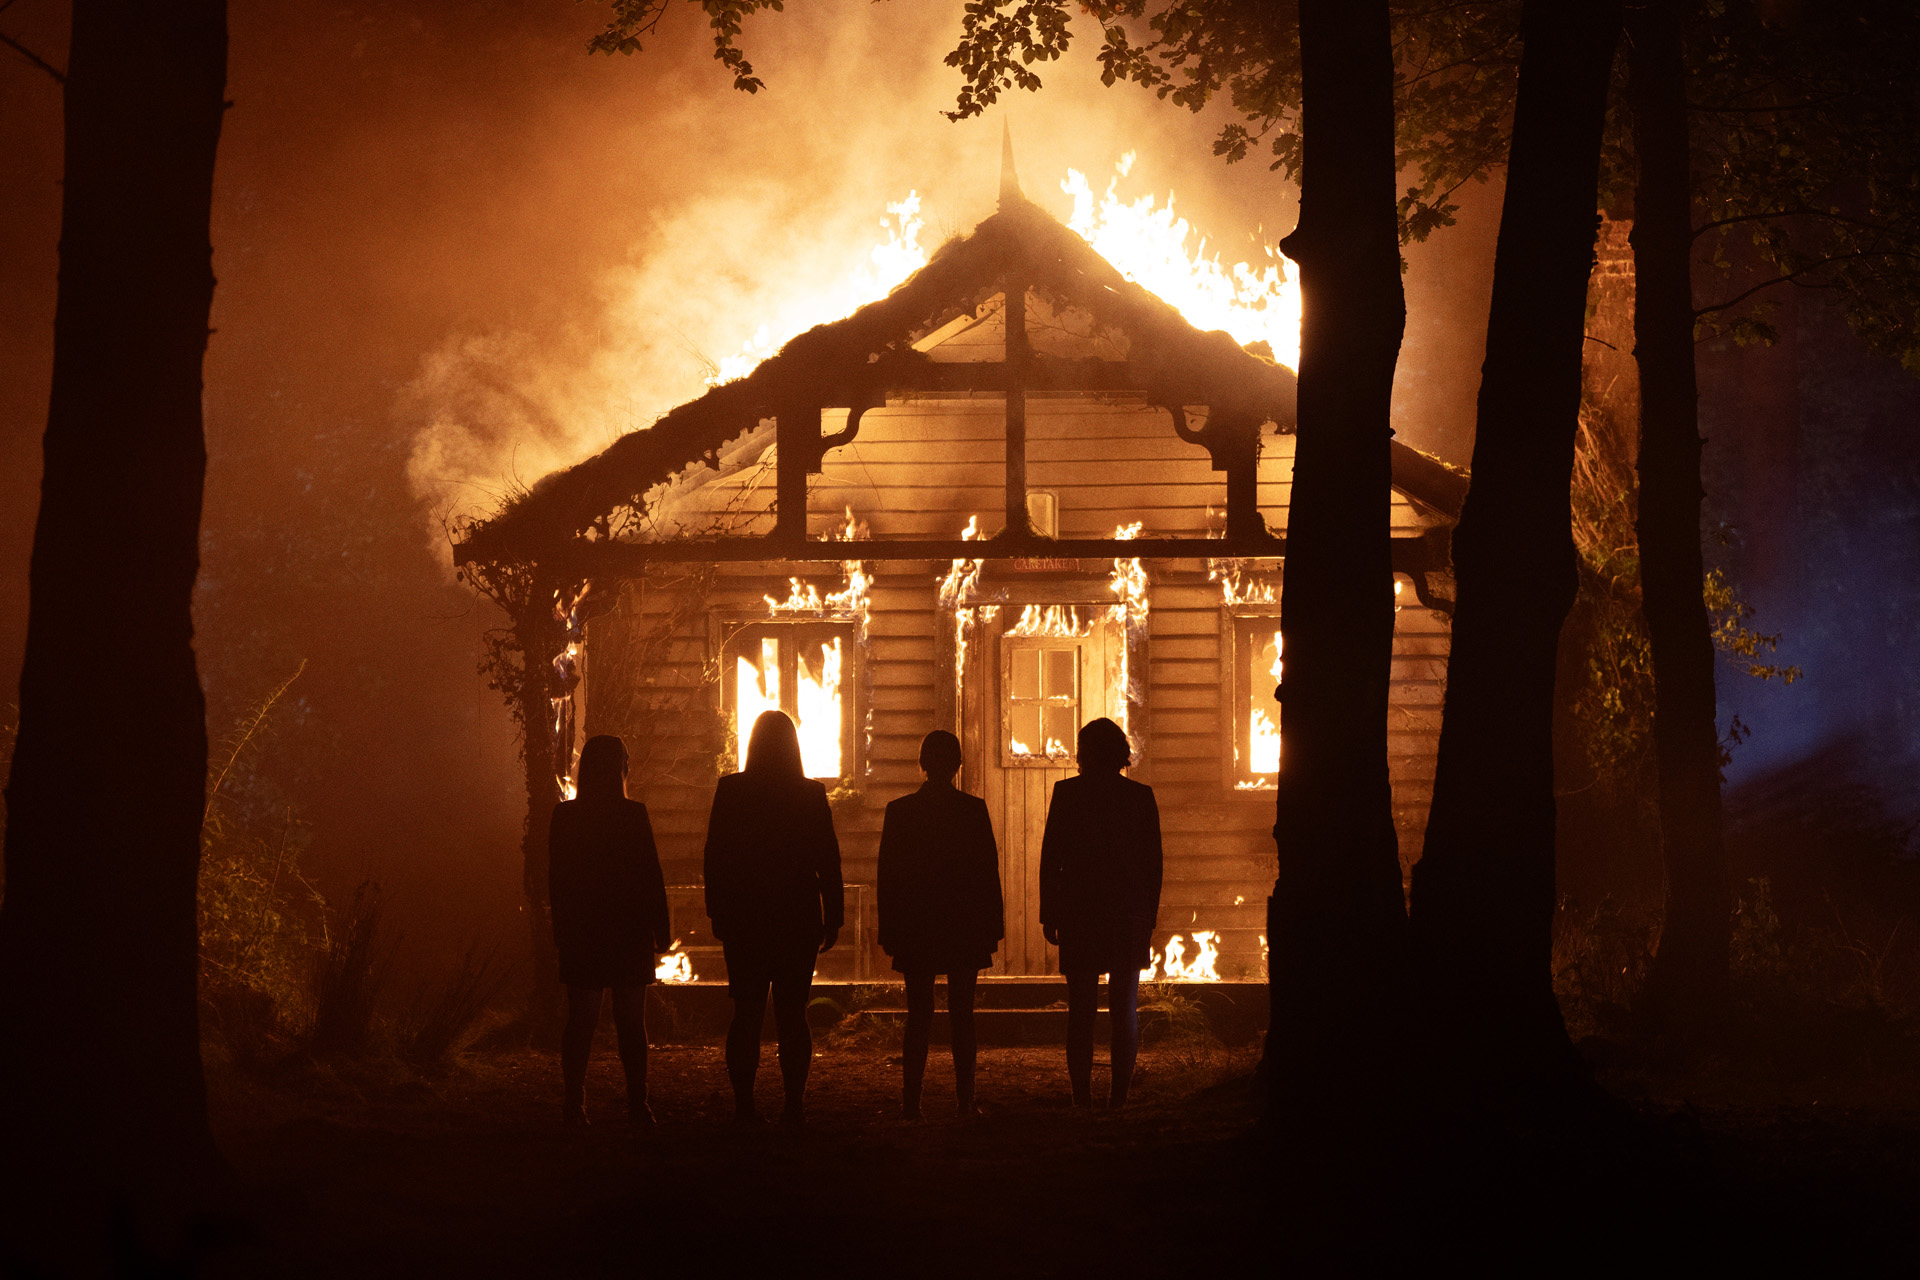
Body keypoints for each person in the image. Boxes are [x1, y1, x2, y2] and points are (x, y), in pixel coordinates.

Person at [703, 709, 844, 1124]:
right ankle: (793, 1103)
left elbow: (715, 857)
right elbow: (828, 861)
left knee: (746, 1012)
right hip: (797, 917)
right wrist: (833, 916)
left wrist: (717, 911)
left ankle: (745, 1105)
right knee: (793, 1014)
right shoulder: (811, 794)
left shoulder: (731, 791)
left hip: (745, 917)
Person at [877, 730, 1003, 1121]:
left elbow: (888, 877)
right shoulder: (973, 810)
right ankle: (965, 1100)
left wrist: (890, 930)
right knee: (963, 1014)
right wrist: (992, 927)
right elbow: (987, 873)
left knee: (919, 1015)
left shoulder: (900, 812)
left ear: (922, 763)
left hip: (917, 927)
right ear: (957, 765)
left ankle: (911, 1102)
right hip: (963, 926)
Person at [548, 734, 671, 1127]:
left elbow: (557, 881)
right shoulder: (633, 815)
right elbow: (650, 875)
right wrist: (660, 928)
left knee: (582, 1021)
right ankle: (637, 1103)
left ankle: (574, 1102)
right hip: (628, 929)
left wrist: (562, 931)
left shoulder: (566, 817)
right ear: (620, 769)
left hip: (584, 930)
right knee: (631, 1022)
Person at [1039, 717, 1162, 1110]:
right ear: (1121, 753)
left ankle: (1082, 1097)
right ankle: (1118, 1098)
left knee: (1081, 1009)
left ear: (1084, 753)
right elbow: (1153, 865)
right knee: (1124, 1008)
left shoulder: (1067, 794)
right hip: (1127, 913)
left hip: (1080, 912)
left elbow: (1051, 858)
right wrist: (1148, 916)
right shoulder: (1140, 797)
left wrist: (1049, 912)